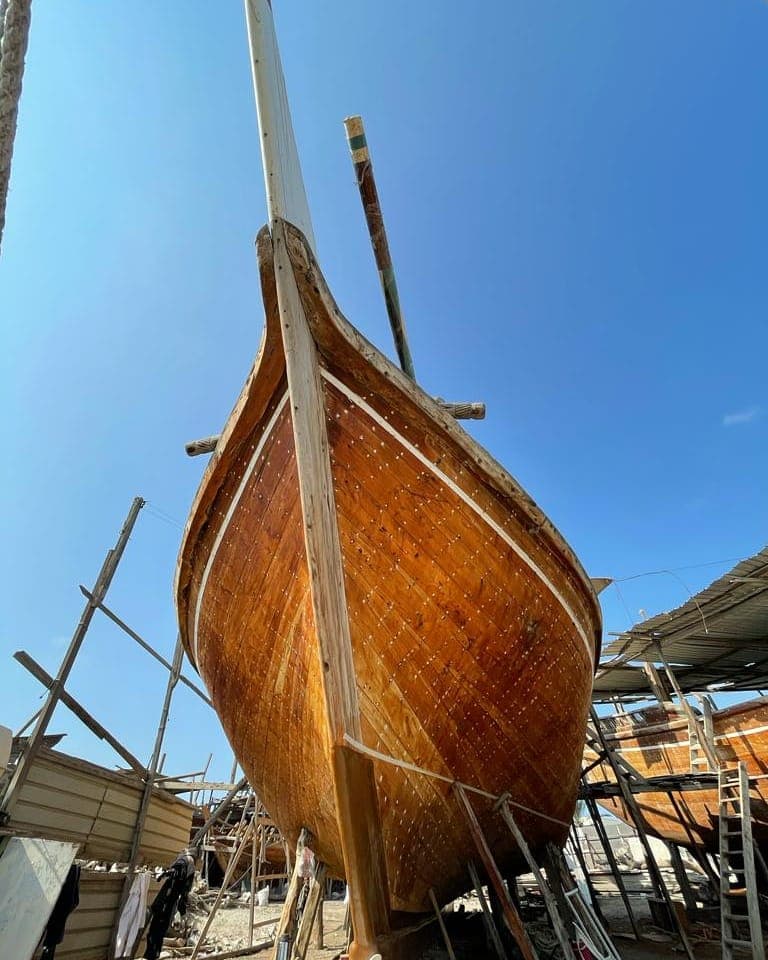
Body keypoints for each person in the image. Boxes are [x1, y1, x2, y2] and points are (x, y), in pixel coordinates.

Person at [144, 847, 200, 960]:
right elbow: (184, 892)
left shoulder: (184, 862)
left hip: (164, 901)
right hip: (167, 903)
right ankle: (152, 955)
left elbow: (176, 870)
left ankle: (151, 955)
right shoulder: (189, 866)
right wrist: (182, 911)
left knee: (156, 930)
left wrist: (166, 873)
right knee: (158, 930)